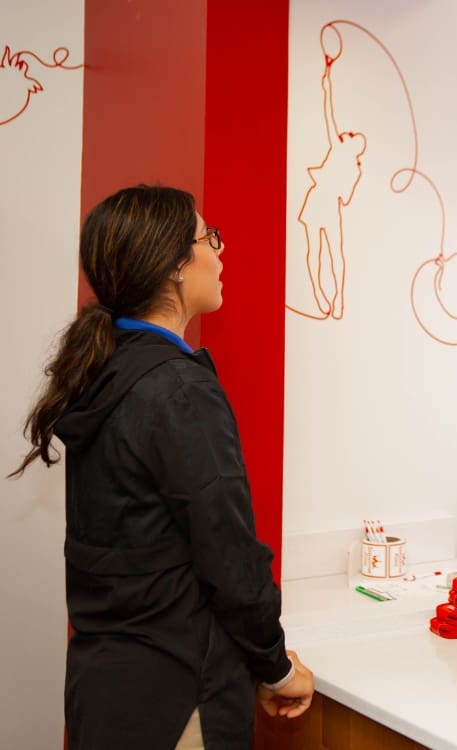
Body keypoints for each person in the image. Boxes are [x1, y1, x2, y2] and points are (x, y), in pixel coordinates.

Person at [9, 185, 314, 749]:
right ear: (176, 265)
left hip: (106, 693)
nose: (220, 254)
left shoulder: (107, 370)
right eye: (209, 239)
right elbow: (228, 555)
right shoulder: (178, 388)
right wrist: (276, 667)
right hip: (178, 699)